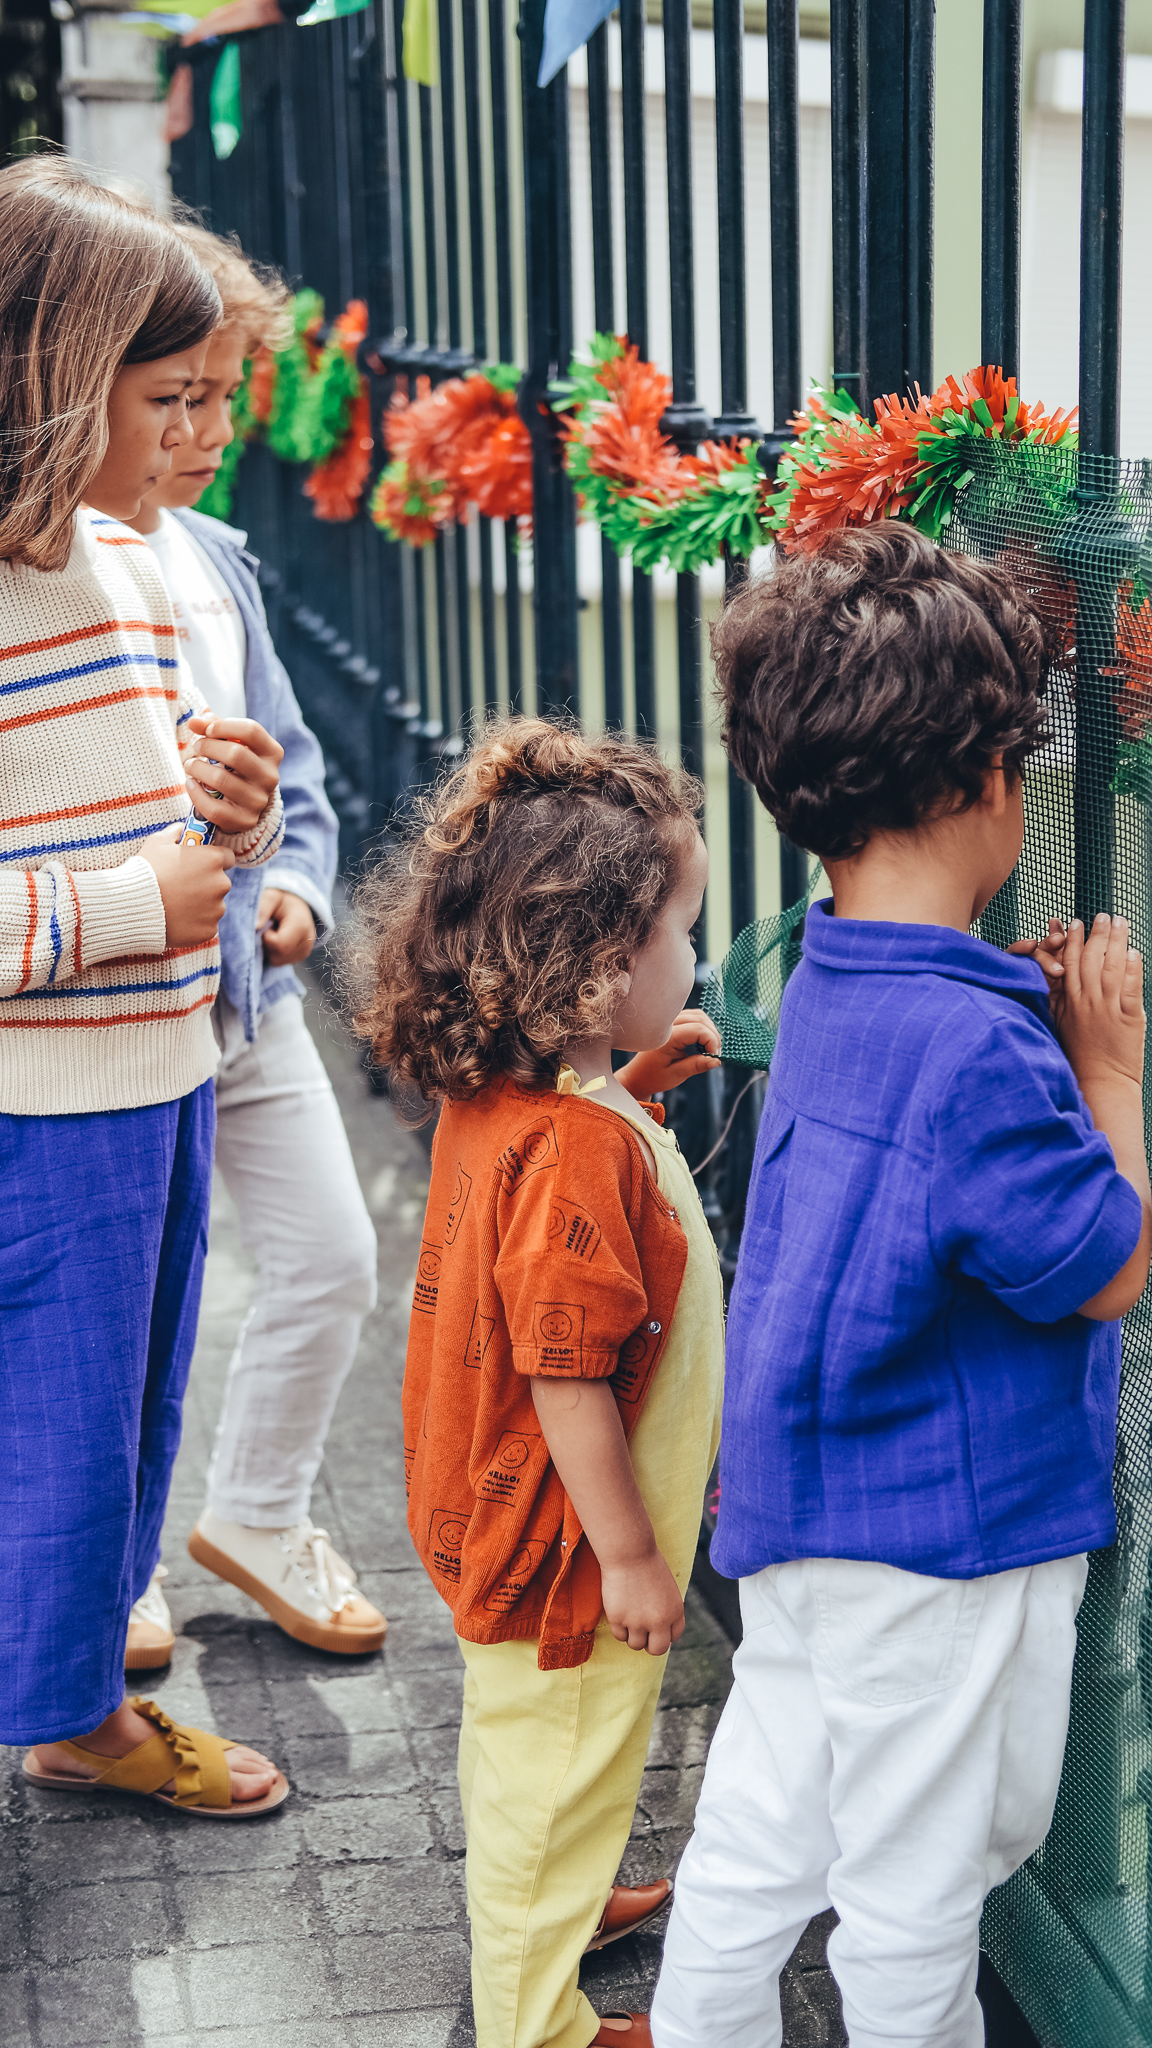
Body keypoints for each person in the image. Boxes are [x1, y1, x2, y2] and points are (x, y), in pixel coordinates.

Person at [651, 524, 1152, 2048]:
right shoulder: (980, 1045)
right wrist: (1110, 1068)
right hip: (942, 1541)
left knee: (759, 1837)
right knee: (920, 1894)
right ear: (990, 779)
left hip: (805, 1510)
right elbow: (1106, 1266)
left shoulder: (834, 972)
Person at [350, 718, 726, 2048]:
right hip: (569, 1554)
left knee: (530, 1753)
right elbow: (565, 1374)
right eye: (681, 931)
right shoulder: (576, 1151)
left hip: (498, 1507)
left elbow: (548, 1212)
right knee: (552, 1773)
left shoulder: (522, 1091)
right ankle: (535, 2014)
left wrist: (633, 1083)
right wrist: (630, 1559)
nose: (693, 959)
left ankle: (556, 1904)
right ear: (599, 966)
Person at [0, 158, 292, 1814]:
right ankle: (72, 1716)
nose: (190, 432)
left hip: (160, 1065)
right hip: (42, 1105)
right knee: (59, 1434)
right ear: (61, 379)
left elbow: (151, 803)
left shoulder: (119, 560)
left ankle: (75, 1681)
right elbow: (111, 879)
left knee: (127, 1417)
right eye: (162, 393)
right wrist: (132, 903)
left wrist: (226, 811)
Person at [92, 222, 382, 1667]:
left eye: (223, 398)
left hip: (248, 1001)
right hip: (109, 1013)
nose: (211, 434)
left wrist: (302, 893)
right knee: (129, 1318)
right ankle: (114, 1564)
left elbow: (297, 772)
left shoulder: (218, 562)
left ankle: (260, 1513)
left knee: (332, 1258)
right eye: (181, 399)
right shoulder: (54, 574)